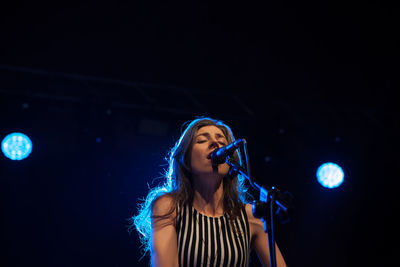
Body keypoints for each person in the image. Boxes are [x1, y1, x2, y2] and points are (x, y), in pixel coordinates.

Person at [130, 117, 287, 267]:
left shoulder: (252, 216)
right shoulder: (169, 207)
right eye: (202, 140)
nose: (215, 144)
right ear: (186, 160)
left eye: (221, 142)